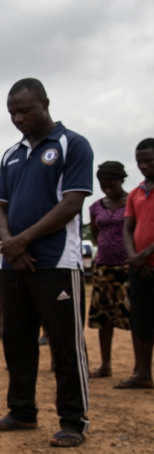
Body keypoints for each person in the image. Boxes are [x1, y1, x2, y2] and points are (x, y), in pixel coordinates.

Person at [0, 78, 93, 448]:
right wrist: (10, 245)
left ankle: (73, 421)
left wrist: (21, 240)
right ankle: (22, 412)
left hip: (56, 262)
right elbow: (0, 205)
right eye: (12, 112)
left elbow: (71, 204)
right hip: (14, 264)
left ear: (45, 103)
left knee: (64, 344)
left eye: (25, 110)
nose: (18, 118)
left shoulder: (71, 145)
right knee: (16, 342)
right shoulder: (11, 154)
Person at [87, 161, 131, 379]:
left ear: (121, 180)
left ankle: (140, 369)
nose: (108, 189)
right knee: (103, 318)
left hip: (129, 266)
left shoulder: (133, 202)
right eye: (103, 185)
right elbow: (95, 235)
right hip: (103, 267)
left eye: (112, 184)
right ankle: (105, 365)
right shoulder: (95, 207)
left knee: (134, 316)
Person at [118, 139, 154, 389]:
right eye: (139, 161)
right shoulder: (136, 192)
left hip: (146, 261)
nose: (143, 165)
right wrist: (135, 257)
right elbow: (128, 227)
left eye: (148, 160)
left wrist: (143, 255)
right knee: (141, 320)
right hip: (140, 268)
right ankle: (142, 373)